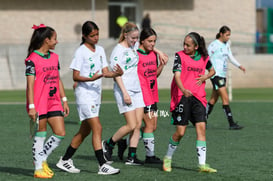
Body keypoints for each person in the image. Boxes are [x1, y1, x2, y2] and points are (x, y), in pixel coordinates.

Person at [56, 21, 122, 175]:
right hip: (84, 95)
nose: (96, 38)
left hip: (95, 96)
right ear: (84, 36)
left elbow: (105, 71)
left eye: (97, 34)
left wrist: (117, 74)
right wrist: (92, 79)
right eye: (92, 35)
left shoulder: (99, 50)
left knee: (84, 131)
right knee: (97, 127)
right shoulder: (81, 52)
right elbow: (75, 76)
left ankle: (65, 160)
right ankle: (102, 165)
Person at [162, 32, 217, 173]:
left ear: (196, 47)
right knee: (180, 132)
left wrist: (205, 76)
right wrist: (183, 89)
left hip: (199, 97)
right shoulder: (179, 56)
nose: (185, 47)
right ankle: (167, 158)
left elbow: (212, 71)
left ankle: (202, 165)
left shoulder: (204, 57)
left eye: (188, 45)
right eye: (184, 44)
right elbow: (177, 75)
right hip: (182, 96)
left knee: (201, 129)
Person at [117, 28, 167, 164]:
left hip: (152, 94)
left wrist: (161, 65)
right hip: (141, 95)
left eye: (154, 41)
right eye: (150, 41)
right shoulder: (135, 54)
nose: (152, 44)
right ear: (142, 40)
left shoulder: (153, 54)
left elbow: (154, 75)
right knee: (147, 125)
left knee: (152, 126)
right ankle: (149, 156)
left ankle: (124, 143)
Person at [25, 24, 69, 178]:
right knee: (40, 135)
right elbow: (30, 85)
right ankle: (38, 169)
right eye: (54, 39)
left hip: (54, 101)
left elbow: (57, 79)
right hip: (39, 103)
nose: (56, 42)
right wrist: (31, 106)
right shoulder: (31, 60)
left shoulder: (55, 57)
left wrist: (64, 99)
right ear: (46, 40)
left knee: (60, 133)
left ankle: (41, 158)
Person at [102, 22, 145, 165]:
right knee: (131, 125)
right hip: (124, 90)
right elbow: (116, 74)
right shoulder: (118, 51)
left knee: (138, 125)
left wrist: (159, 52)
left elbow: (147, 45)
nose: (135, 40)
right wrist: (125, 93)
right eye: (133, 38)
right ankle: (109, 143)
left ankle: (131, 156)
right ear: (125, 35)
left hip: (137, 89)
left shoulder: (135, 46)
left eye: (137, 38)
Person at [206, 25, 246, 130]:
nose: (228, 37)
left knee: (213, 99)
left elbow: (230, 57)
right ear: (221, 34)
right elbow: (206, 58)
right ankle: (231, 123)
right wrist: (207, 71)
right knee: (225, 98)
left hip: (222, 75)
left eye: (229, 35)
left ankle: (202, 119)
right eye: (227, 35)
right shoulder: (214, 45)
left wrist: (239, 66)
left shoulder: (227, 44)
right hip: (215, 75)